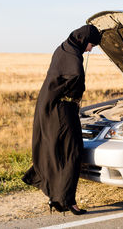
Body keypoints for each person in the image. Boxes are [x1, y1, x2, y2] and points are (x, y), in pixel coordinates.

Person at [22, 25, 101, 215]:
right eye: (91, 44)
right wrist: (76, 94)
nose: (90, 49)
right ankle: (67, 201)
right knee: (72, 153)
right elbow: (74, 75)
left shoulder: (64, 48)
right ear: (83, 40)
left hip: (50, 106)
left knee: (56, 151)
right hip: (62, 109)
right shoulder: (73, 57)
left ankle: (56, 196)